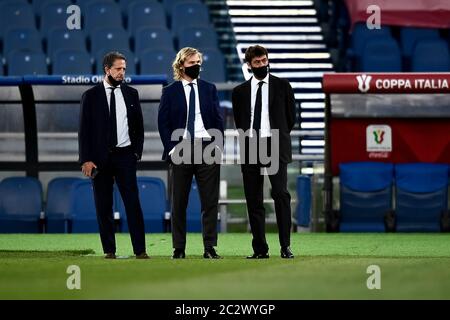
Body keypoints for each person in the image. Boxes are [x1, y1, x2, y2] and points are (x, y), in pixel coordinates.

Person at [78, 51, 148, 259]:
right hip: (99, 160)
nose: (122, 73)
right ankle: (109, 251)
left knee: (133, 204)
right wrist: (86, 159)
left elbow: (139, 127)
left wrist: (136, 152)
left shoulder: (131, 93)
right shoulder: (90, 96)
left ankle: (140, 251)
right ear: (107, 69)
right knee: (103, 206)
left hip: (126, 156)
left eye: (124, 69)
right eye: (118, 69)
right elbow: (84, 131)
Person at [158, 47, 224, 259]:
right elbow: (163, 123)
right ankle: (179, 248)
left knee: (210, 201)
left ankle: (209, 247)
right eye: (192, 63)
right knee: (179, 201)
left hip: (207, 147)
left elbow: (217, 119)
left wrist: (217, 145)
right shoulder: (170, 91)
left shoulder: (209, 89)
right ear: (181, 65)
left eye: (198, 63)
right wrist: (172, 148)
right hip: (181, 148)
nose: (196, 66)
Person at [232, 45, 296, 259]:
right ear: (249, 65)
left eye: (264, 60)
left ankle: (285, 246)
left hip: (275, 143)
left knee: (280, 193)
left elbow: (291, 118)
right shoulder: (239, 92)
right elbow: (240, 121)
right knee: (253, 199)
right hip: (251, 145)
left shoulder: (282, 85)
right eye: (257, 62)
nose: (261, 65)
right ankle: (260, 249)